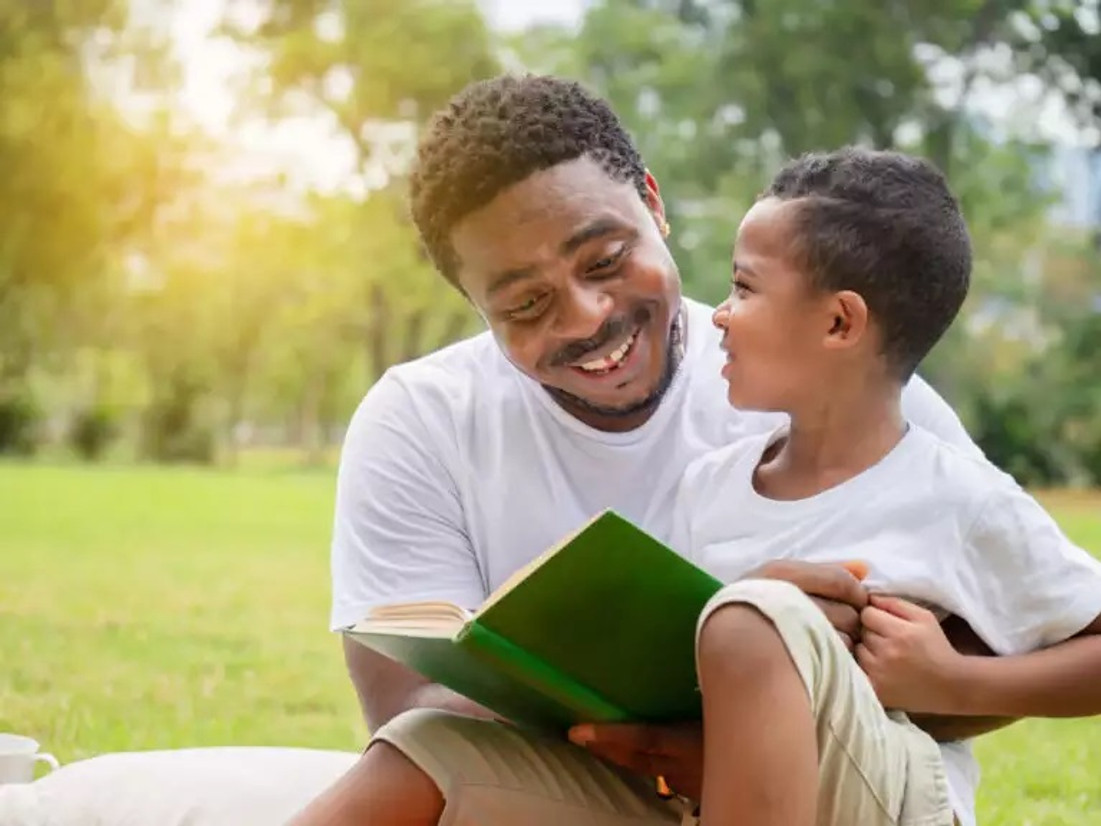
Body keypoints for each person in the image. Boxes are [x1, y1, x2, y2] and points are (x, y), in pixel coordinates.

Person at [291, 75, 1005, 826]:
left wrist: (777, 679)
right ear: (477, 307)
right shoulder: (419, 419)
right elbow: (407, 705)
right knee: (415, 752)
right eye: (525, 305)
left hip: (836, 786)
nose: (587, 318)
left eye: (603, 260)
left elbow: (1012, 646)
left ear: (653, 204)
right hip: (606, 786)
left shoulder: (841, 381)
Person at [662, 147, 1101, 825]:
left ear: (838, 322)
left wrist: (954, 682)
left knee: (755, 624)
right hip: (700, 790)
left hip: (887, 794)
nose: (717, 314)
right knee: (435, 748)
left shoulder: (955, 497)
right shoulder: (705, 487)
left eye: (743, 288)